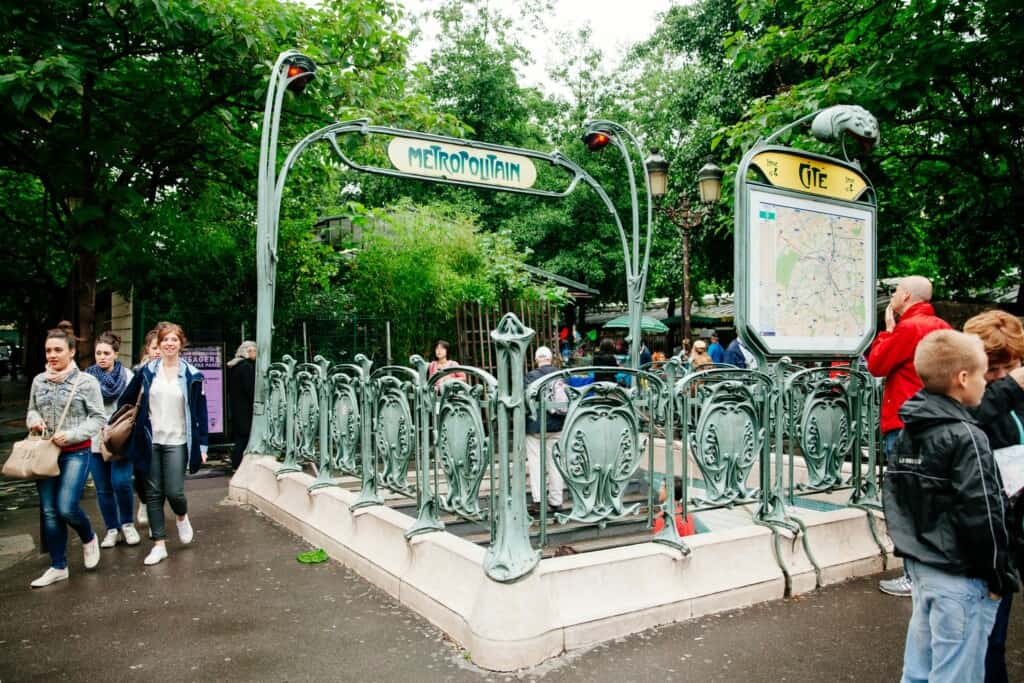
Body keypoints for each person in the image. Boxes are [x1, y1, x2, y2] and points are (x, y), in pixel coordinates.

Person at [883, 330, 1018, 683]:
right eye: (983, 374)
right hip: (963, 573)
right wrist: (998, 573)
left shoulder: (911, 428)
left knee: (918, 669)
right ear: (962, 378)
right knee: (958, 670)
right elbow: (983, 512)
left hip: (925, 567)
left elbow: (898, 500)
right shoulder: (968, 436)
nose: (986, 384)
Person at [869, 276, 951, 597]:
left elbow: (877, 364)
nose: (892, 296)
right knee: (930, 498)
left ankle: (913, 576)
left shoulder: (909, 328)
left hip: (906, 422)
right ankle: (933, 570)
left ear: (905, 294)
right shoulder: (943, 325)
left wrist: (887, 330)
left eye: (894, 291)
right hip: (936, 420)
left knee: (907, 502)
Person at [963, 310, 1024, 683]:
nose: (999, 376)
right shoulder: (965, 392)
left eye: (1009, 367)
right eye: (992, 369)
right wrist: (1010, 387)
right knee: (989, 638)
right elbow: (966, 420)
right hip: (992, 532)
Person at [118, 322, 208, 566]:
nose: (169, 344)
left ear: (181, 344)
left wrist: (203, 447)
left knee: (175, 492)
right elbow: (126, 399)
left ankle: (181, 515)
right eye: (164, 340)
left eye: (174, 340)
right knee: (153, 493)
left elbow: (200, 413)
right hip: (151, 440)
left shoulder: (192, 375)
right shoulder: (146, 372)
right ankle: (159, 544)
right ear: (157, 344)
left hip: (178, 440)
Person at [24, 323, 106, 587]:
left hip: (76, 453)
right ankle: (58, 566)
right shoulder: (39, 380)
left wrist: (71, 435)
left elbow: (98, 419)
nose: (52, 355)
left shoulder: (86, 382)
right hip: (45, 453)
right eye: (48, 350)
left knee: (66, 506)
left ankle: (88, 537)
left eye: (58, 349)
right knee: (49, 511)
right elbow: (31, 411)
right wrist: (34, 421)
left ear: (71, 351)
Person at [85, 331, 140, 548]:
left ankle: (127, 524)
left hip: (120, 438)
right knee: (103, 487)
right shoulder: (87, 378)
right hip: (95, 438)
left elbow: (134, 406)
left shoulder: (127, 376)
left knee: (122, 482)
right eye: (98, 353)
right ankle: (112, 528)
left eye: (107, 353)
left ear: (116, 354)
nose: (102, 357)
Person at [524, 346, 565, 515]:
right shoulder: (559, 375)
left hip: (536, 426)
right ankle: (556, 501)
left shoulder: (531, 376)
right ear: (550, 359)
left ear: (536, 359)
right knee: (555, 464)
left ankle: (539, 500)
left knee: (535, 464)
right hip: (556, 425)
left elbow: (526, 399)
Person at [131, 328, 161, 527]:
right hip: (142, 431)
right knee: (141, 474)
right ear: (147, 350)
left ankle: (155, 519)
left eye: (161, 347)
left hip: (165, 432)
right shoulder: (138, 373)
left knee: (162, 479)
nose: (158, 351)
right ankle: (143, 501)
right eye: (154, 347)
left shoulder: (177, 373)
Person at [227, 340, 256, 471]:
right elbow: (250, 389)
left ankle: (236, 463)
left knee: (240, 437)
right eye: (254, 350)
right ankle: (238, 464)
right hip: (245, 408)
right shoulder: (246, 367)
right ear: (248, 351)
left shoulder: (235, 366)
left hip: (236, 407)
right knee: (244, 437)